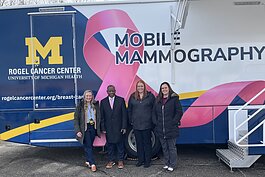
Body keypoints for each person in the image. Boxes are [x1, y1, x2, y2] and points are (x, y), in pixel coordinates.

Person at [152, 82, 183, 172]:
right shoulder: (158, 100)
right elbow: (153, 112)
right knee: (164, 148)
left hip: (171, 128)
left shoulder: (174, 99)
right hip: (160, 128)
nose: (164, 90)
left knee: (171, 148)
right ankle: (167, 163)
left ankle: (172, 164)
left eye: (165, 88)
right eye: (162, 88)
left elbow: (179, 112)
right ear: (160, 90)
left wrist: (174, 122)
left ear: (169, 88)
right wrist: (156, 122)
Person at [128, 80, 155, 168]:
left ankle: (147, 161)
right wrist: (130, 120)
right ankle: (140, 160)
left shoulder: (150, 96)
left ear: (144, 87)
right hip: (136, 124)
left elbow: (154, 109)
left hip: (147, 124)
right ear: (136, 87)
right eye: (138, 86)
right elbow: (130, 110)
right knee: (139, 143)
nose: (140, 88)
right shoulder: (132, 96)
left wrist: (153, 120)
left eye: (141, 86)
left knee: (147, 143)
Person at [100, 85, 127, 169]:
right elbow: (102, 117)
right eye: (109, 91)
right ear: (107, 92)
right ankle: (111, 160)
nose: (111, 92)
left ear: (115, 91)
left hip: (119, 127)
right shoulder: (103, 101)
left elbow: (124, 115)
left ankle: (120, 160)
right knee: (110, 145)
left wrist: (124, 127)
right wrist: (103, 128)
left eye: (112, 91)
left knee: (120, 144)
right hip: (108, 128)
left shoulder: (121, 100)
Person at [74, 90, 101, 172]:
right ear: (84, 97)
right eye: (87, 96)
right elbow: (76, 119)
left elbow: (99, 116)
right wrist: (78, 130)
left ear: (92, 96)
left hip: (93, 127)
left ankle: (87, 161)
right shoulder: (80, 105)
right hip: (85, 128)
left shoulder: (95, 104)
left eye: (90, 96)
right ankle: (92, 164)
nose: (89, 97)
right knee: (88, 145)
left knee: (89, 145)